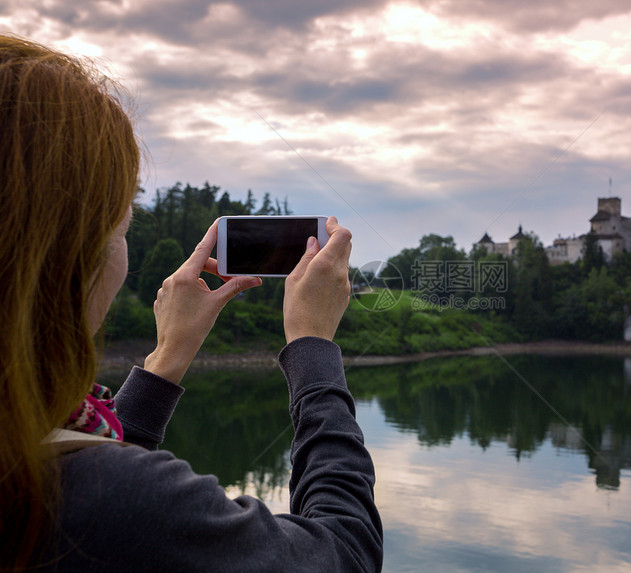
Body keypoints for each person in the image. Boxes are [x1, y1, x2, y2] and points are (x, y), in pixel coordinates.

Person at [0, 35, 382, 572]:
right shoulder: (110, 502)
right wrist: (313, 344)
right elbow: (345, 553)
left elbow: (93, 465)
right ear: (68, 253)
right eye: (123, 225)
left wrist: (166, 359)